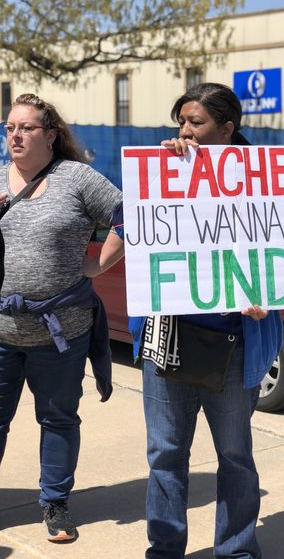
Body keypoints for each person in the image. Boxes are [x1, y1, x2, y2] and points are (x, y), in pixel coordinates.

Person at [128, 82, 283, 559]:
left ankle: (236, 550)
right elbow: (134, 228)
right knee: (165, 456)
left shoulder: (266, 181)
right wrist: (166, 171)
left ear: (228, 128)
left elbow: (281, 252)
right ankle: (165, 548)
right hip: (168, 341)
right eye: (181, 122)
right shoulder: (165, 171)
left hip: (236, 347)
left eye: (195, 122)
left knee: (235, 458)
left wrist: (269, 298)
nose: (184, 131)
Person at [0, 93, 124, 542]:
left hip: (61, 334)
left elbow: (129, 215)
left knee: (57, 419)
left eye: (25, 127)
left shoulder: (76, 178)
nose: (15, 134)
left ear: (50, 135)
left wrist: (99, 264)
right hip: (0, 331)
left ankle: (55, 502)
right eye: (9, 127)